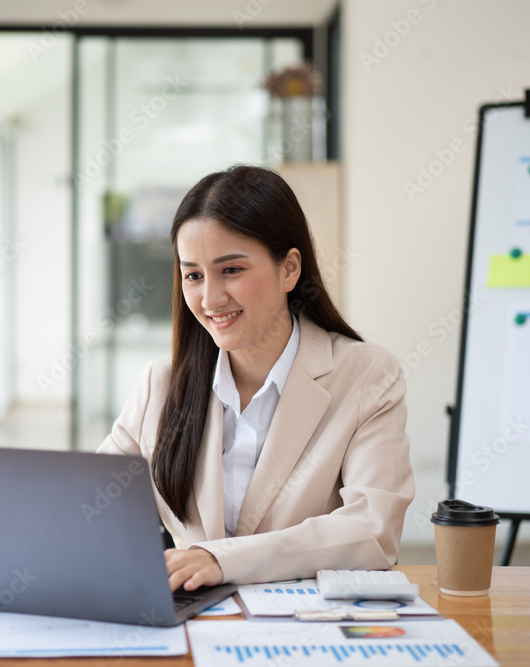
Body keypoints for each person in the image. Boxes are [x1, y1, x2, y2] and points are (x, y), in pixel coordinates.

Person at [97, 165, 414, 591]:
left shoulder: (367, 377)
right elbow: (95, 503)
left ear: (289, 269)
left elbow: (373, 530)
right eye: (193, 275)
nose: (210, 299)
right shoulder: (162, 383)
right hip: (193, 624)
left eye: (231, 270)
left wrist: (222, 560)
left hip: (301, 630)